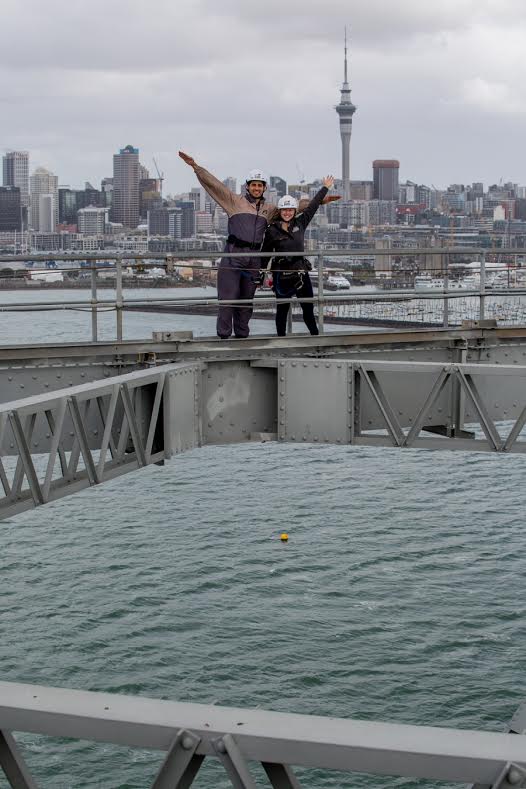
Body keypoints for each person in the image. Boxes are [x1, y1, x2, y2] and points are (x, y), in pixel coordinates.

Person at [178, 151, 339, 339]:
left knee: (246, 301)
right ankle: (223, 336)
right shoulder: (234, 202)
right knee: (228, 298)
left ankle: (242, 336)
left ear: (264, 188)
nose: (256, 188)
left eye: (259, 185)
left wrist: (320, 200)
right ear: (248, 186)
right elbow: (215, 185)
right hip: (233, 255)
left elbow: (292, 208)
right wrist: (196, 167)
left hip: (254, 258)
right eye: (253, 185)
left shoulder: (268, 210)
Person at [261, 176, 334, 336]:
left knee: (308, 308)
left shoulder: (300, 224)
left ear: (295, 211)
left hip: (300, 272)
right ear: (279, 212)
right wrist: (261, 274)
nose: (287, 213)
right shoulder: (272, 230)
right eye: (284, 210)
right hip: (281, 273)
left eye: (290, 210)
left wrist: (325, 188)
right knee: (282, 309)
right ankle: (281, 339)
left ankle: (315, 337)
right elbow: (265, 254)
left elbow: (313, 206)